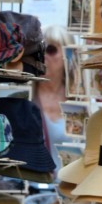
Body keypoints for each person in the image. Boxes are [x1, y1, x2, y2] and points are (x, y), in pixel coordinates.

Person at [36, 25, 72, 171]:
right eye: (40, 50)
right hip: (31, 188)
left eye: (51, 50)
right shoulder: (26, 95)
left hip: (71, 187)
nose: (44, 56)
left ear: (67, 55)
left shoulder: (80, 98)